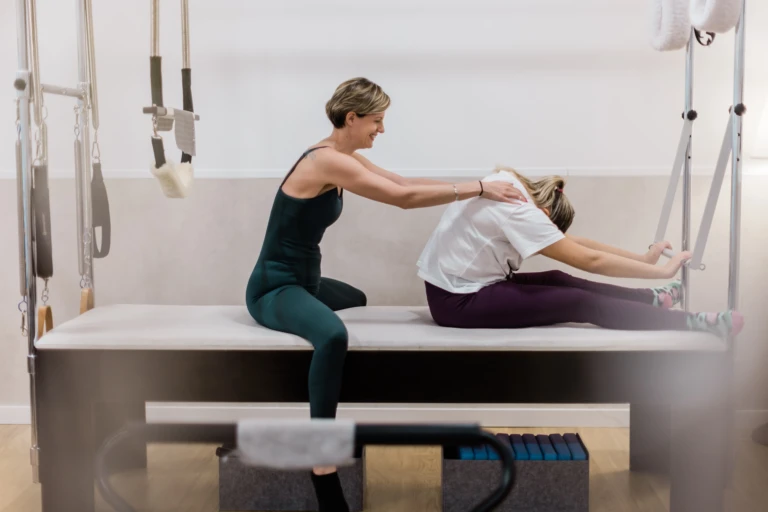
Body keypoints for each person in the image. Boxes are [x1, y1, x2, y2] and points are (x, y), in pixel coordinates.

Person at [245, 78, 526, 511]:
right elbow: (402, 198)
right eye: (376, 121)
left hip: (307, 283)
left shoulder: (342, 156)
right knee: (332, 335)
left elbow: (402, 180)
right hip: (274, 287)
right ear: (351, 117)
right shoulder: (325, 160)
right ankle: (322, 460)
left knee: (356, 298)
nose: (381, 129)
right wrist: (479, 187)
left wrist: (477, 185)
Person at [417, 166, 744, 337]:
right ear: (545, 214)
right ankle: (692, 323)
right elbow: (591, 260)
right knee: (579, 302)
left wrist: (642, 259)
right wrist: (661, 270)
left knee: (558, 278)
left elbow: (578, 244)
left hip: (460, 288)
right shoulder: (522, 214)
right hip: (457, 302)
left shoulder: (510, 186)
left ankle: (651, 299)